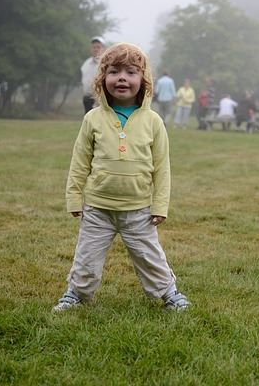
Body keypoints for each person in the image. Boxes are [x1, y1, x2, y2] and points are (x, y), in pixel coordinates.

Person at [53, 43, 189, 312]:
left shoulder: (153, 121)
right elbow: (80, 161)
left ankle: (168, 293)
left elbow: (162, 168)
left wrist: (160, 205)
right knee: (87, 256)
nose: (122, 78)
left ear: (144, 80)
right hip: (97, 208)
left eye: (131, 72)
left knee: (150, 257)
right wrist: (74, 197)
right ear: (102, 79)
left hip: (139, 209)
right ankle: (77, 294)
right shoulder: (93, 119)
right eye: (114, 71)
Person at [80, 36, 105, 114]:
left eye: (98, 47)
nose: (96, 49)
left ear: (103, 49)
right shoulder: (86, 63)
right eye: (94, 47)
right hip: (87, 98)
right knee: (88, 122)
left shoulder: (105, 63)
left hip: (100, 98)